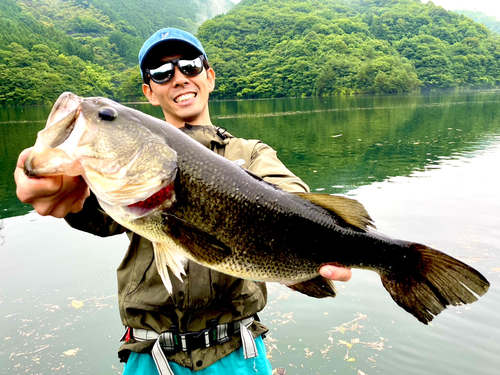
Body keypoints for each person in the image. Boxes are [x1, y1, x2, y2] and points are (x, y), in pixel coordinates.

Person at [14, 28, 351, 374]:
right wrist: (64, 189)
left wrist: (328, 238)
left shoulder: (250, 153)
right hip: (150, 355)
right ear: (149, 91)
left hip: (239, 352)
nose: (178, 78)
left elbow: (291, 194)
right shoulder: (125, 171)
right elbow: (94, 213)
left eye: (189, 66)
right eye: (162, 73)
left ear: (209, 76)